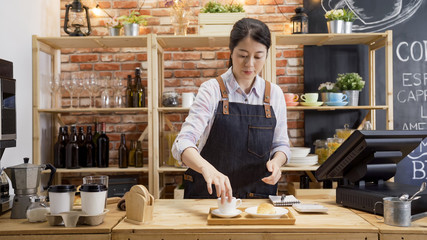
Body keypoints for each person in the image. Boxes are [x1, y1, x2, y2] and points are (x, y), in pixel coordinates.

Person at [172, 18, 291, 201]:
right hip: (208, 198)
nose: (250, 64)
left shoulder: (274, 94)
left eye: (258, 56)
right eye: (243, 55)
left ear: (267, 54)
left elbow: (281, 145)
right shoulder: (211, 90)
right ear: (231, 52)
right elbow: (182, 143)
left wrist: (277, 162)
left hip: (257, 201)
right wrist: (207, 169)